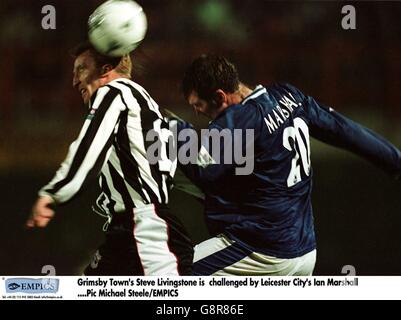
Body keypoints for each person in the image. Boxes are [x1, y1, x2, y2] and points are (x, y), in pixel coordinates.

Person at [170, 54, 401, 276]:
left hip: (263, 252)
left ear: (220, 96)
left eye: (198, 105)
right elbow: (343, 130)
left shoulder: (240, 121)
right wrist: (395, 161)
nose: (197, 113)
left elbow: (203, 169)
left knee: (168, 277)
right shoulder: (289, 95)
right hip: (305, 251)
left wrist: (173, 129)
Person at [26, 42, 193, 275]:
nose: (75, 80)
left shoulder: (113, 92)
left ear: (106, 70)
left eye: (82, 69)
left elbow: (88, 147)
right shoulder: (150, 106)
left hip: (145, 232)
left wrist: (55, 191)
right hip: (134, 230)